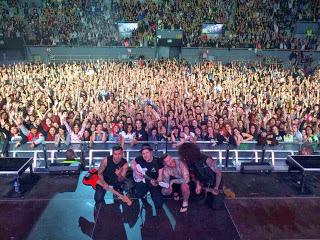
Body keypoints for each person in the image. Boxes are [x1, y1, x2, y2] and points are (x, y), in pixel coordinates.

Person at [178, 142, 223, 208]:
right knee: (198, 201)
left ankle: (220, 191)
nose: (184, 157)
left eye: (185, 155)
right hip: (202, 182)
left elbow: (218, 173)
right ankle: (205, 191)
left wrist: (216, 186)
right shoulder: (189, 162)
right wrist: (198, 184)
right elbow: (193, 176)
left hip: (214, 182)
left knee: (215, 206)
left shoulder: (207, 160)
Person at [131, 143, 163, 209]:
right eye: (143, 153)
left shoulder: (158, 161)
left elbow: (160, 177)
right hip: (143, 182)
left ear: (151, 152)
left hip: (153, 183)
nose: (145, 155)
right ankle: (143, 198)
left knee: (159, 204)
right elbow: (132, 162)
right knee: (138, 195)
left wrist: (156, 182)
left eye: (147, 152)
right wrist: (136, 171)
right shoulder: (140, 159)